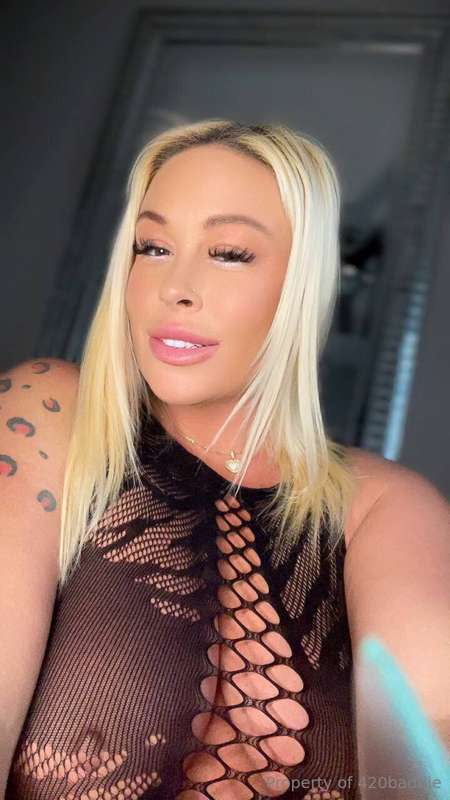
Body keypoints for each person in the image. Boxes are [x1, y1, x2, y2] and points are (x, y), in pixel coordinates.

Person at [1, 119, 448, 800]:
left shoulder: (382, 505)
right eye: (153, 247)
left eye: (229, 253)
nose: (175, 286)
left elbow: (426, 757)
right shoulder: (47, 414)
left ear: (300, 283)